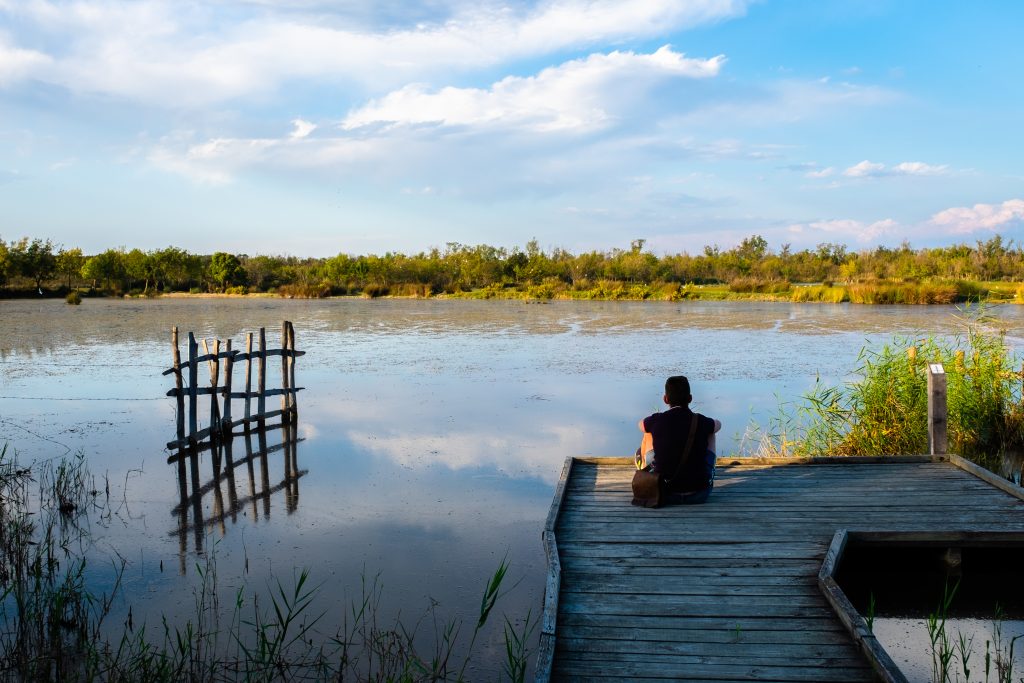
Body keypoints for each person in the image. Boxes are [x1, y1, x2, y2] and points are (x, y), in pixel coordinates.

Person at [636, 375, 721, 505]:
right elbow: (718, 425)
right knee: (711, 432)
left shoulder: (658, 419)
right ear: (690, 398)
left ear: (665, 399)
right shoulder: (700, 420)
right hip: (698, 494)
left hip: (664, 493)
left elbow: (640, 425)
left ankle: (646, 470)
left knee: (648, 432)